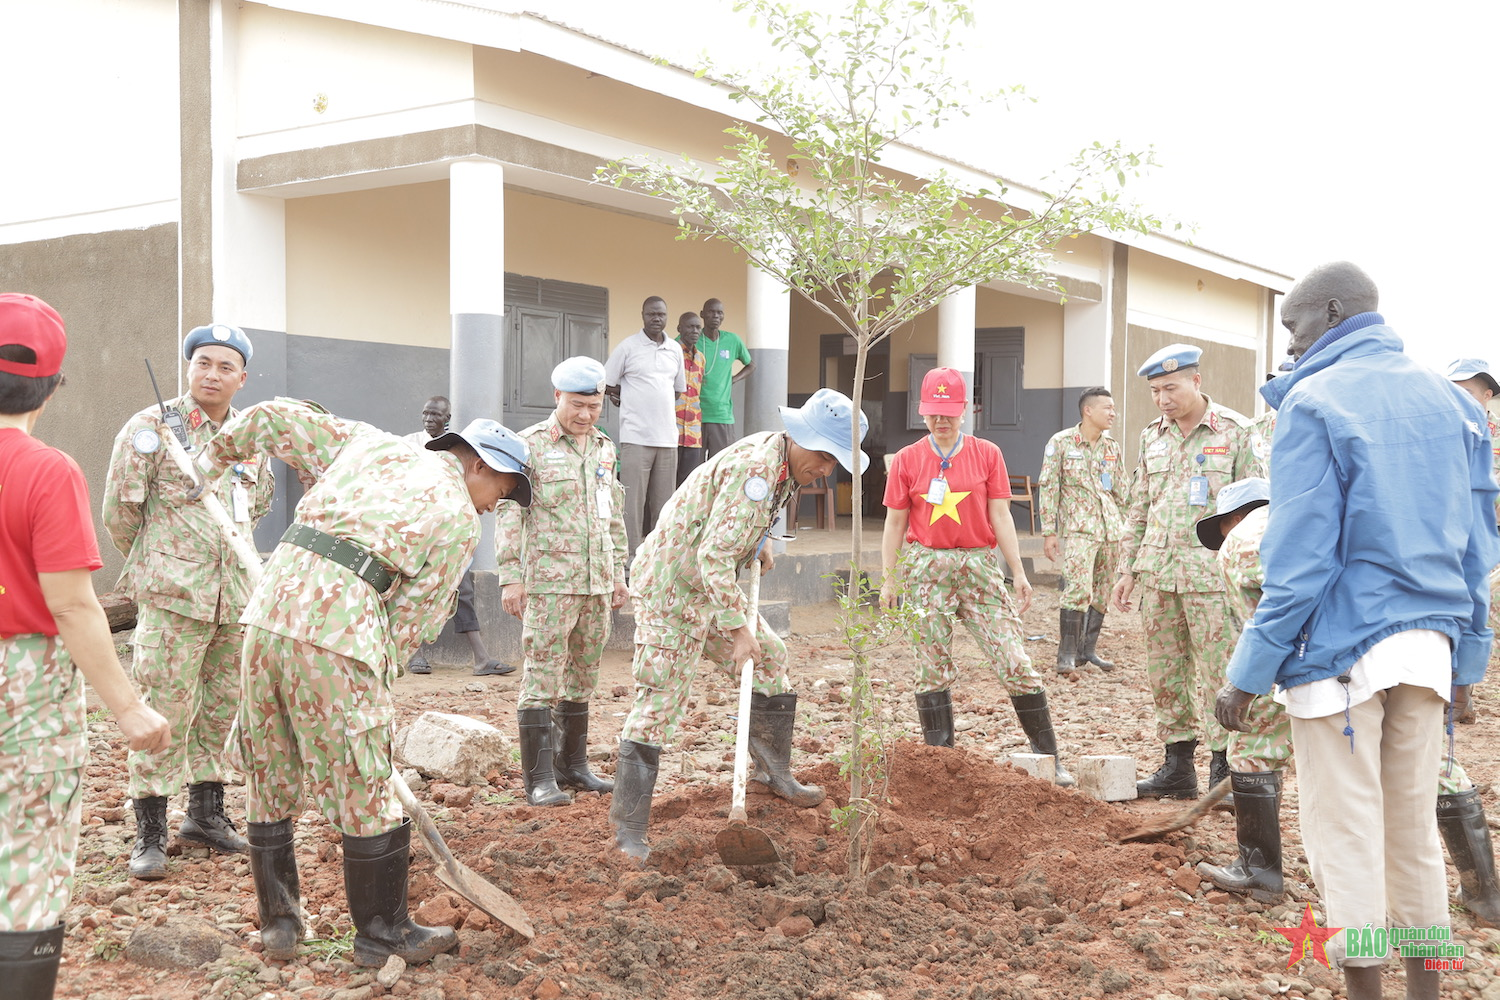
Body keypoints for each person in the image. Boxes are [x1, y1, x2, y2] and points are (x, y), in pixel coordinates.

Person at [1217, 262, 1497, 998]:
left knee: (1346, 834)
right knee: (1412, 830)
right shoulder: (1458, 405)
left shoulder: (1315, 402)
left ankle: (1367, 992)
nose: (1292, 340)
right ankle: (1427, 992)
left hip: (1342, 656)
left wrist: (1249, 671)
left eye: (1294, 324)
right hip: (1430, 651)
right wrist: (1468, 660)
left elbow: (1301, 556)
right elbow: (1477, 551)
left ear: (1333, 311)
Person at [191, 398, 533, 967]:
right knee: (365, 780)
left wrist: (209, 461)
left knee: (269, 767)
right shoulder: (456, 519)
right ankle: (384, 934)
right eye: (502, 489)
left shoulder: (372, 442)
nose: (497, 505)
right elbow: (414, 619)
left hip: (267, 613)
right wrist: (377, 673)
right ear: (476, 463)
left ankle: (280, 925)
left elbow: (273, 417)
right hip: (340, 633)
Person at [609, 388, 865, 861]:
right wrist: (737, 628)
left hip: (709, 583)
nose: (828, 470)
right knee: (660, 699)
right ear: (801, 436)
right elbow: (712, 553)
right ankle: (629, 831)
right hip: (673, 586)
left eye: (836, 462)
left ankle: (772, 772)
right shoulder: (759, 470)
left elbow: (733, 527)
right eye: (826, 457)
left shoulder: (785, 464)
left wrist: (761, 539)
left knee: (771, 658)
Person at [0, 293, 171, 999]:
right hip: (25, 678)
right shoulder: (46, 471)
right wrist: (128, 709)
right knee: (28, 850)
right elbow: (71, 605)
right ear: (51, 386)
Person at [102, 323, 274, 879]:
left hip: (236, 601)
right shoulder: (151, 428)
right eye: (204, 363)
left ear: (242, 378)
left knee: (223, 709)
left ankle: (205, 814)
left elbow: (257, 507)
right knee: (162, 709)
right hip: (175, 598)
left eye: (226, 367)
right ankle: (149, 830)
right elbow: (120, 513)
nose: (212, 374)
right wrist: (162, 564)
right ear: (189, 367)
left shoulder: (251, 434)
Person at [880, 368, 1074, 787]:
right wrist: (889, 579)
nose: (941, 421)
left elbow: (1000, 515)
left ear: (964, 410)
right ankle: (940, 764)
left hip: (980, 568)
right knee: (930, 666)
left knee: (1015, 661)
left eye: (948, 412)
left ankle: (1050, 758)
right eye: (933, 413)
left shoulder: (987, 454)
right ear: (922, 411)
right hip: (926, 568)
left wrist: (1019, 571)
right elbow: (894, 523)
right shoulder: (909, 459)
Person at [1109, 343, 1263, 800]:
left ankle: (1223, 767)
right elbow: (1140, 505)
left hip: (1212, 576)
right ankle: (1177, 765)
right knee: (1165, 671)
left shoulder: (1236, 432)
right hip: (1158, 572)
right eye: (1155, 391)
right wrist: (1127, 569)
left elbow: (1258, 508)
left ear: (1196, 381)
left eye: (1171, 388)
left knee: (1219, 671)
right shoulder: (1150, 436)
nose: (1163, 399)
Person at [496, 357, 627, 806]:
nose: (585, 415)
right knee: (542, 677)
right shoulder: (528, 446)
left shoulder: (605, 448)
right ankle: (538, 780)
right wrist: (511, 577)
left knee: (583, 675)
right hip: (550, 585)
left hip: (596, 581)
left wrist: (618, 574)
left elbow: (612, 514)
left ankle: (572, 767)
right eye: (577, 405)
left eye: (593, 406)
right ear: (557, 398)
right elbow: (509, 511)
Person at [402, 395, 512, 677]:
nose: (429, 419)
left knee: (462, 590)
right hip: (415, 533)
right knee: (412, 585)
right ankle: (413, 654)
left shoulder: (461, 449)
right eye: (426, 414)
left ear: (447, 419)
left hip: (449, 534)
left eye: (435, 416)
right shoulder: (409, 443)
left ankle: (481, 658)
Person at [1037, 386, 1128, 673]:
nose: (1113, 413)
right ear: (1088, 410)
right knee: (1077, 590)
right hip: (1080, 531)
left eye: (1114, 408)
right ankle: (1065, 654)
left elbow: (1122, 490)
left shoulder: (1111, 447)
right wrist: (1049, 531)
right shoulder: (1062, 443)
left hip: (1111, 531)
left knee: (1101, 592)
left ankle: (1087, 651)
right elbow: (1050, 488)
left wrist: (1131, 530)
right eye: (1107, 408)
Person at [605, 296, 685, 559]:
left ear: (666, 317)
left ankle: (658, 559)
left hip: (667, 439)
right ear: (642, 315)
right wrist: (622, 396)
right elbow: (607, 383)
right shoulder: (627, 347)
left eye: (661, 314)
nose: (656, 319)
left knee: (663, 505)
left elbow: (677, 390)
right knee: (632, 504)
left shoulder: (674, 350)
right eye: (651, 314)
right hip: (636, 437)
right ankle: (627, 560)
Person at [697, 298, 755, 458]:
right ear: (702, 314)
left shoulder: (732, 340)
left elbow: (751, 365)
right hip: (695, 414)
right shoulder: (692, 338)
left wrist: (734, 379)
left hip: (722, 414)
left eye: (719, 312)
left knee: (723, 464)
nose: (716, 316)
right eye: (711, 312)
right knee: (693, 467)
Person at [674, 313, 706, 486]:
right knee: (667, 483)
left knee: (687, 485)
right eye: (690, 326)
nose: (695, 331)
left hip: (693, 433)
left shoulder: (701, 358)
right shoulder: (671, 353)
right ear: (679, 329)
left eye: (698, 327)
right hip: (672, 430)